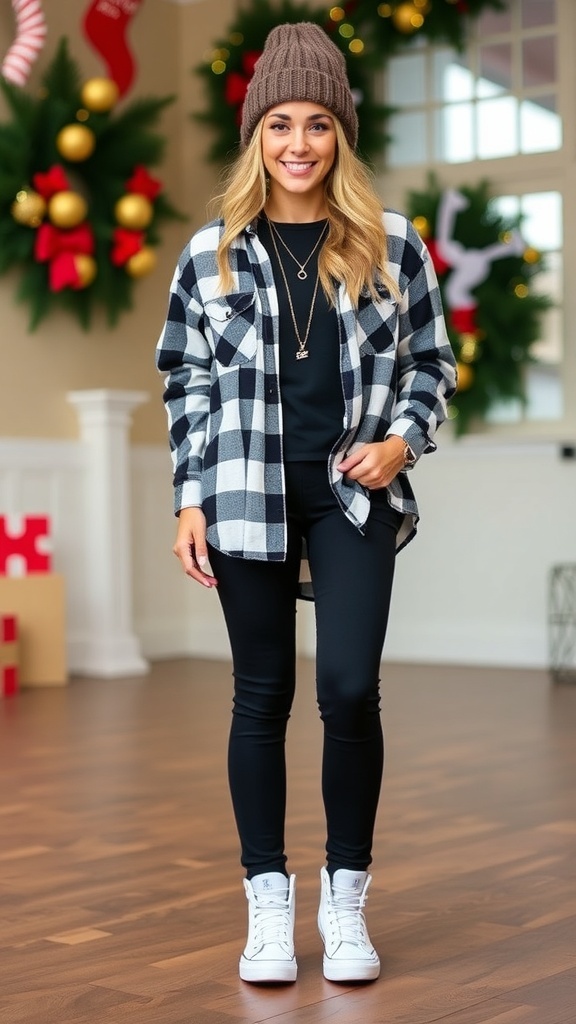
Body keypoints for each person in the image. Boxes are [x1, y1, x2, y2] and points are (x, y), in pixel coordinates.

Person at [156, 21, 457, 986]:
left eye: (317, 123)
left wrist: (403, 441)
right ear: (256, 135)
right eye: (279, 123)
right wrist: (189, 498)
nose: (298, 143)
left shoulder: (393, 244)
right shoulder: (210, 256)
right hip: (243, 494)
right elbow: (186, 384)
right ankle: (268, 908)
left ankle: (347, 897)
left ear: (341, 134)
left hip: (351, 495)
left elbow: (432, 365)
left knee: (348, 688)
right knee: (262, 695)